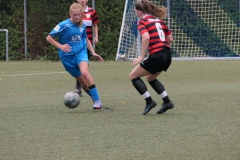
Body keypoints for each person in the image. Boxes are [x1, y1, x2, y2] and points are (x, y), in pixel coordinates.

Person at [46, 3, 103, 109]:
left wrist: (93, 52)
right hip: (67, 58)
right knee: (83, 83)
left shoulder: (83, 25)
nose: (77, 17)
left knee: (85, 73)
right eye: (74, 15)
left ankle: (97, 100)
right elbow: (49, 38)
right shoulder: (63, 25)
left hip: (81, 53)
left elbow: (86, 39)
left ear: (81, 14)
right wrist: (61, 46)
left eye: (79, 15)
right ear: (70, 14)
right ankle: (94, 99)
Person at [129, 0, 174, 115]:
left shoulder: (142, 22)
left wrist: (141, 56)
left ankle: (149, 101)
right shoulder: (159, 21)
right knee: (150, 78)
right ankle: (167, 101)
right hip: (167, 55)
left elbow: (146, 38)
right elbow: (170, 39)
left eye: (135, 11)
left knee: (133, 76)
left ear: (139, 11)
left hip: (158, 55)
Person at [74, 0, 99, 97]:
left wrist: (96, 36)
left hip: (87, 43)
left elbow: (95, 25)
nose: (82, 0)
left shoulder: (92, 11)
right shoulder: (75, 12)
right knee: (78, 65)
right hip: (76, 43)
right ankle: (79, 86)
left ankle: (80, 86)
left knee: (84, 66)